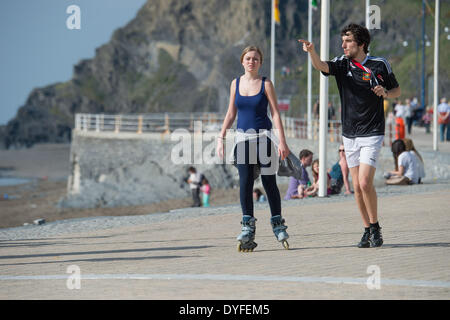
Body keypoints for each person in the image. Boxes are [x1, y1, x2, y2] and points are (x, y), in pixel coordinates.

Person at [299, 23, 401, 248]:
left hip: (372, 131)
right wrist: (312, 52)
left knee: (365, 182)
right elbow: (321, 66)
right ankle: (367, 229)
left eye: (348, 41)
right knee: (356, 185)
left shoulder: (379, 64)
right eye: (342, 41)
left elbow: (397, 90)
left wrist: (385, 92)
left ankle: (375, 227)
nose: (343, 45)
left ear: (361, 44)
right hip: (349, 133)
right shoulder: (341, 63)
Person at [216, 45, 291, 252]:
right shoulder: (235, 83)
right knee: (245, 183)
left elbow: (275, 113)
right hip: (243, 140)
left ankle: (278, 224)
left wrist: (282, 141)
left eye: (255, 59)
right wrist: (221, 136)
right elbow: (231, 113)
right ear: (242, 61)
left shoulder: (266, 84)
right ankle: (247, 227)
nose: (251, 61)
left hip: (264, 138)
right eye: (248, 58)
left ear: (260, 62)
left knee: (269, 182)